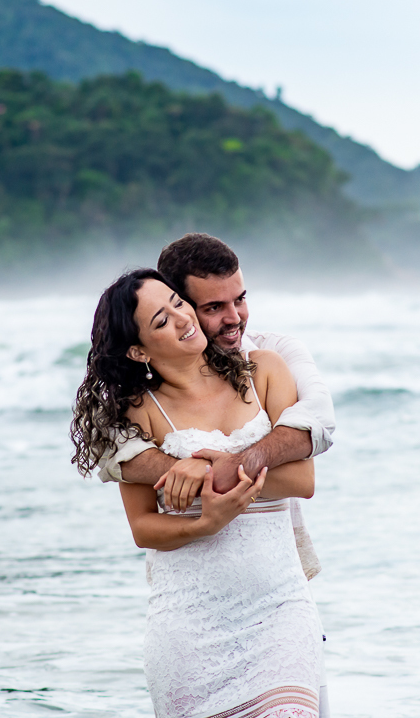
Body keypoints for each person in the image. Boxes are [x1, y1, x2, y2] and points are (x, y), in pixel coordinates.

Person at [71, 268, 324, 718]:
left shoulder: (263, 371)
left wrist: (213, 469)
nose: (182, 318)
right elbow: (144, 528)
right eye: (161, 321)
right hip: (189, 629)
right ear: (138, 351)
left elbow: (302, 480)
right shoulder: (137, 413)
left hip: (279, 609)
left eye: (178, 303)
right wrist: (206, 523)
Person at [97, 234, 336, 514]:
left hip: (284, 535)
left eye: (240, 299)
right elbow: (112, 448)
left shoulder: (275, 353)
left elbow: (317, 418)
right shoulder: (138, 401)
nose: (235, 318)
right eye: (214, 307)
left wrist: (218, 470)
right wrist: (180, 471)